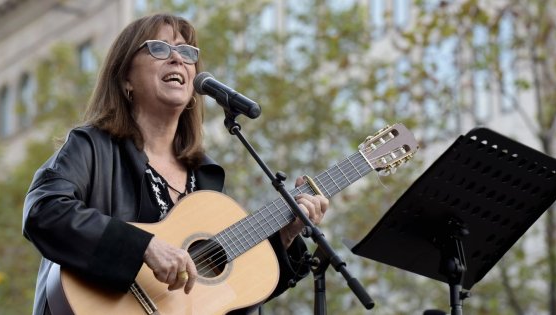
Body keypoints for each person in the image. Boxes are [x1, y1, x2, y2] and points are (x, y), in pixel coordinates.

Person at [22, 13, 328, 315]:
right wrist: (144, 246)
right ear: (126, 78)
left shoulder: (205, 178)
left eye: (186, 52)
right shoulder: (92, 147)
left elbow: (228, 297)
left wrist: (286, 235)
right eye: (159, 48)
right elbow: (44, 211)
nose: (177, 59)